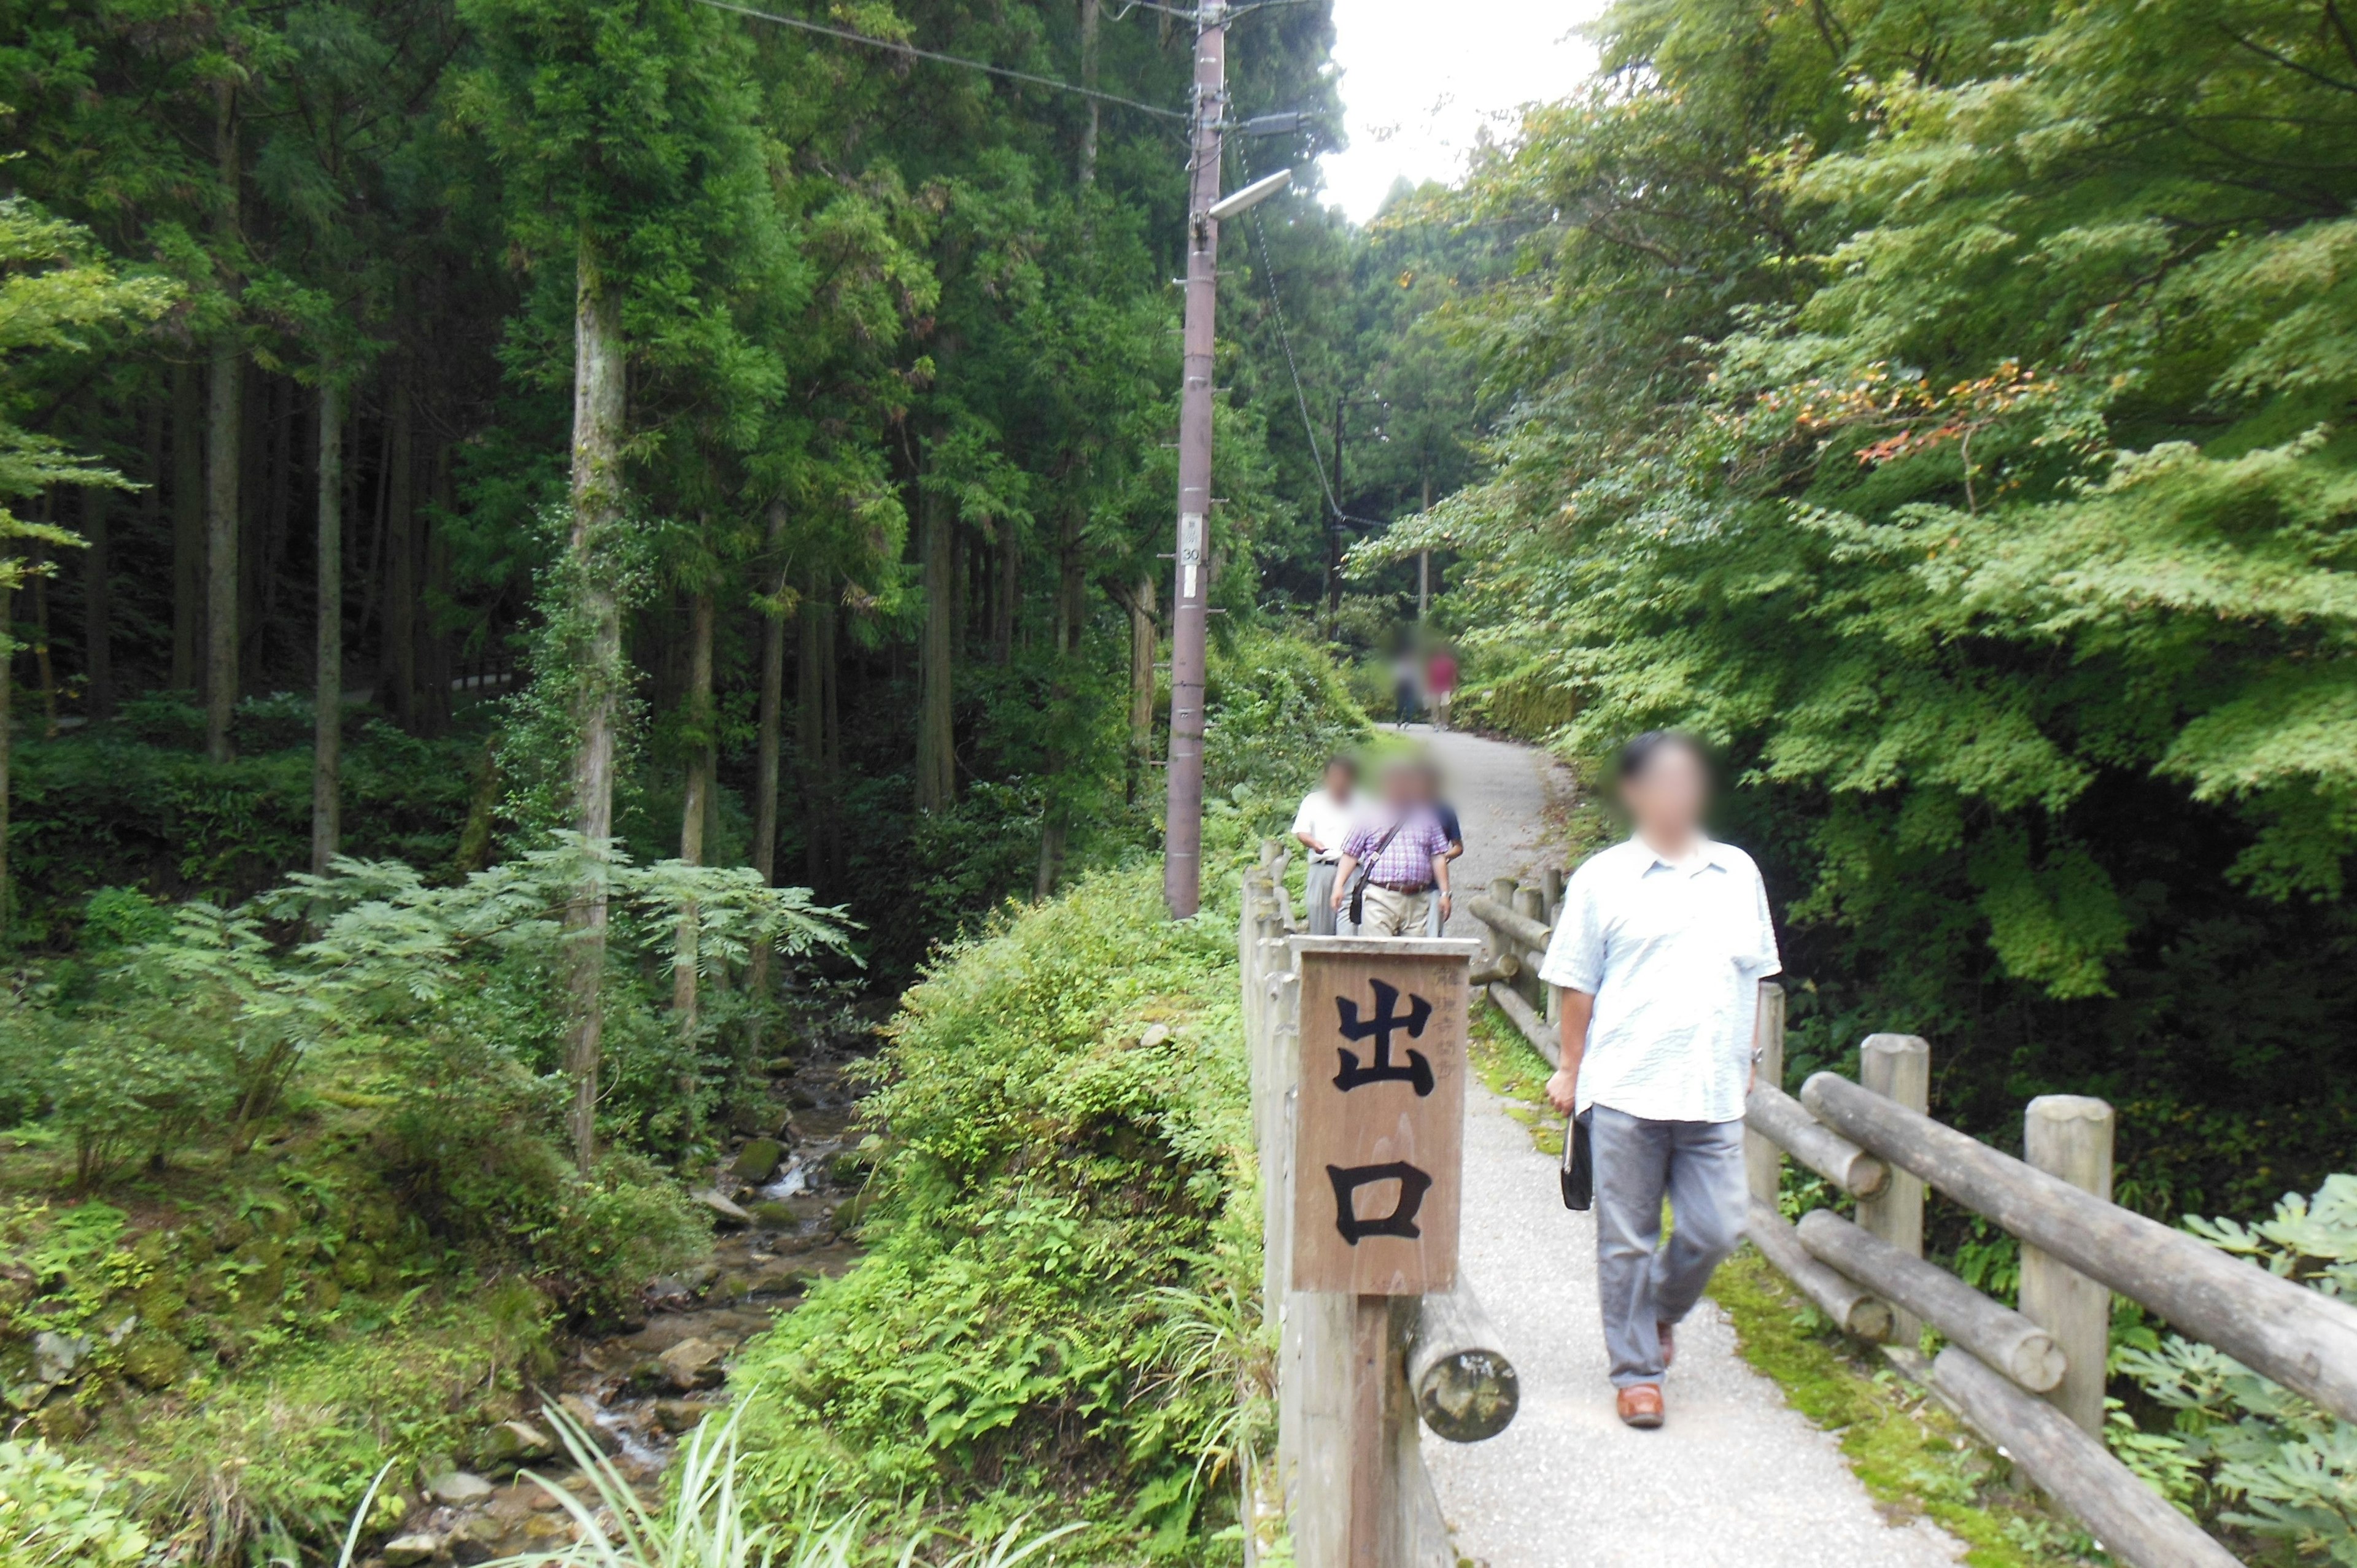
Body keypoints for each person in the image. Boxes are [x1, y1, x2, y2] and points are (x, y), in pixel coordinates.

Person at [1536, 731, 1780, 1430]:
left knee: (1718, 1225)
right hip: (1626, 1088)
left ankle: (1658, 1310)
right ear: (1636, 791)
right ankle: (1638, 1372)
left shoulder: (1739, 873)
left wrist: (1750, 1062)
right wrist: (1571, 1068)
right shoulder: (1603, 878)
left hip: (1710, 1091)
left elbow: (1755, 976)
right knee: (1626, 1239)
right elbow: (1576, 985)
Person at [1331, 760, 1453, 937]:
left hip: (1418, 899)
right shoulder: (1369, 815)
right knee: (1379, 955)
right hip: (1380, 897)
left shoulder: (1426, 815)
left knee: (1414, 958)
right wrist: (1338, 886)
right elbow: (1350, 854)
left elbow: (1438, 856)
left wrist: (1444, 893)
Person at [1291, 754, 1360, 937]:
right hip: (1322, 867)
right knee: (1320, 929)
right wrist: (1313, 843)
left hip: (1354, 871)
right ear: (1327, 777)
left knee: (1350, 929)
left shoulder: (1364, 803)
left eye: (1344, 776)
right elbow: (1301, 832)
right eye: (1335, 776)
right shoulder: (1313, 801)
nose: (1339, 781)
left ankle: (1347, 964)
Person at [1417, 759, 1465, 935]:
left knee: (1432, 934)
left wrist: (1443, 857)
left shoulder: (1445, 810)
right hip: (1411, 883)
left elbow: (1458, 846)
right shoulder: (1406, 808)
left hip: (1435, 883)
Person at [1425, 645, 1458, 731]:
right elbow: (1429, 676)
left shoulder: (1450, 663)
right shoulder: (1433, 663)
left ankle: (1445, 723)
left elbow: (1453, 675)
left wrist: (1454, 685)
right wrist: (1427, 687)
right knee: (1435, 706)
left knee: (1446, 704)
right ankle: (1436, 723)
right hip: (1434, 687)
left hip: (1446, 687)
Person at [1391, 647, 1422, 727]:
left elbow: (1417, 678)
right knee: (1400, 705)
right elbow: (1396, 677)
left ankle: (1408, 720)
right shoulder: (1399, 666)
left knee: (1410, 705)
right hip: (1401, 687)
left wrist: (1418, 688)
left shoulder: (1415, 667)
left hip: (1411, 688)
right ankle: (1399, 718)